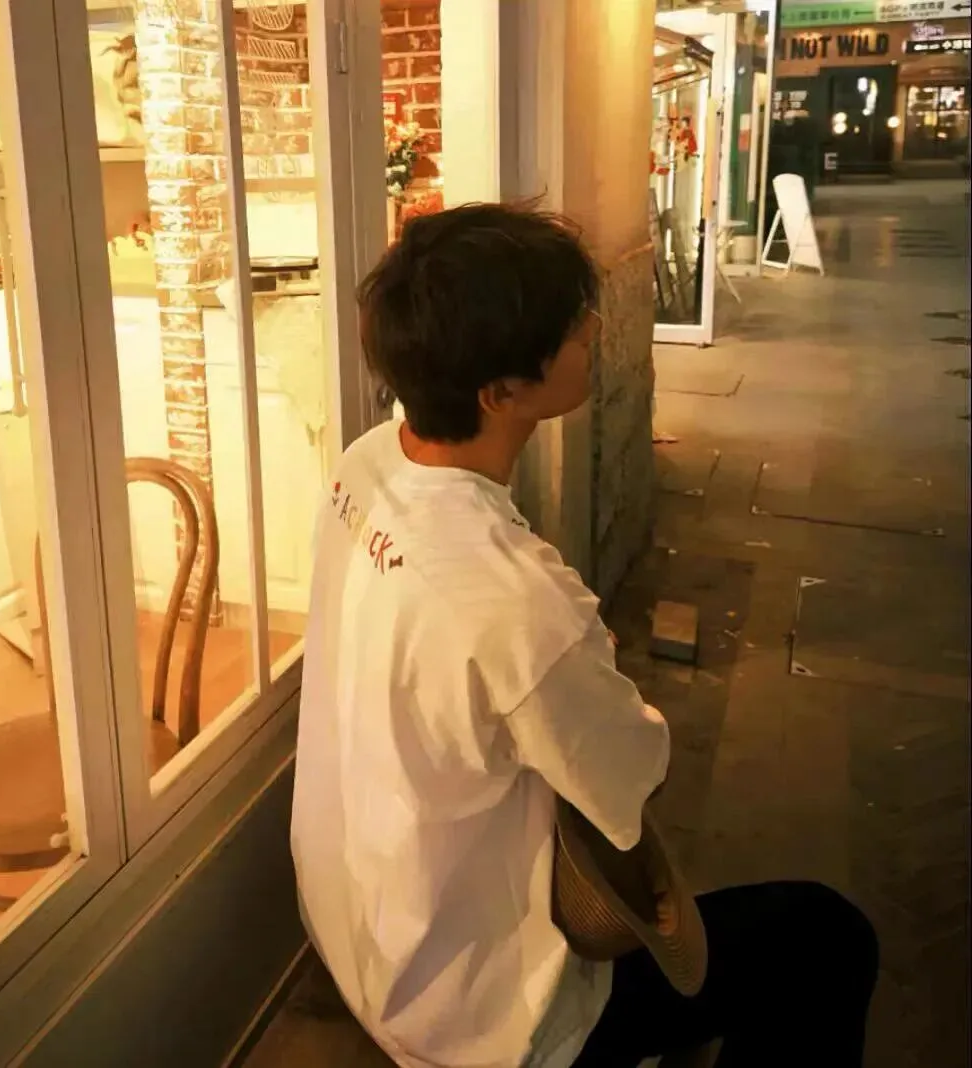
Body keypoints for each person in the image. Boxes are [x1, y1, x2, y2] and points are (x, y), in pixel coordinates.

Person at [290, 203, 878, 1068]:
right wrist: (590, 681)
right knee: (824, 938)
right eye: (570, 326)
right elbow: (629, 776)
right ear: (502, 393)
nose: (596, 330)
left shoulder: (371, 461)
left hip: (354, 919)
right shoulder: (519, 601)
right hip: (478, 1012)